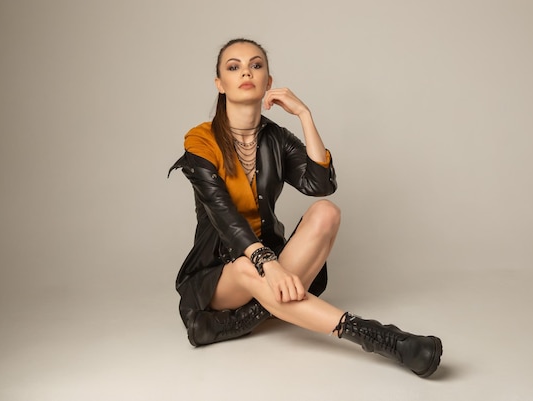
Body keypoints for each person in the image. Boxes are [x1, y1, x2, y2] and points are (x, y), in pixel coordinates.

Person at [169, 38, 443, 378]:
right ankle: (383, 338)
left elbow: (320, 184)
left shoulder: (276, 137)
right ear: (219, 84)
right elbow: (222, 213)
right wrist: (265, 261)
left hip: (273, 268)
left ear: (268, 82)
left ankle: (259, 311)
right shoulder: (200, 139)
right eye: (233, 67)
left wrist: (304, 115)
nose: (246, 73)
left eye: (256, 66)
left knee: (327, 211)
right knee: (244, 269)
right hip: (219, 274)